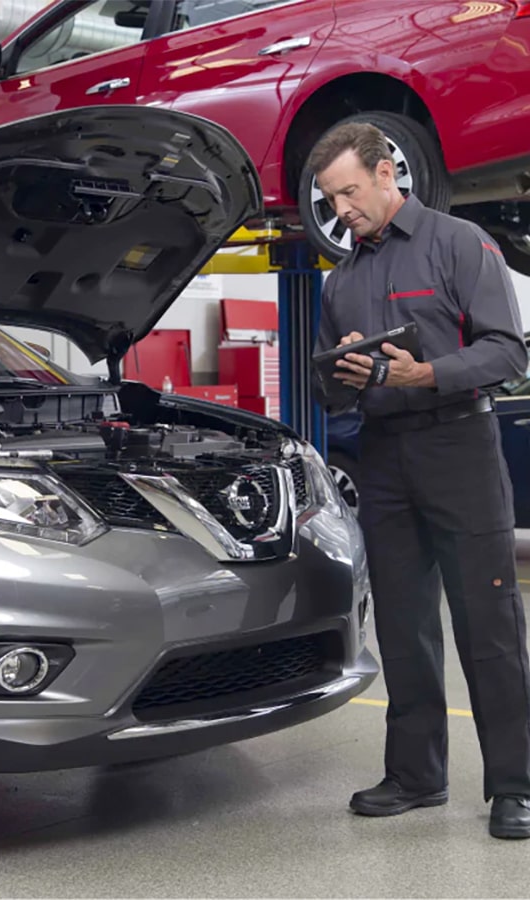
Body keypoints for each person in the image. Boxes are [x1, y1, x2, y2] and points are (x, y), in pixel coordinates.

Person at [308, 121, 530, 839]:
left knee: (487, 623)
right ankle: (415, 775)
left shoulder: (458, 243)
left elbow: (507, 352)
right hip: (384, 453)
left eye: (348, 192)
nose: (342, 211)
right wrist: (341, 372)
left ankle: (516, 786)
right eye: (331, 200)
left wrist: (426, 372)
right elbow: (328, 392)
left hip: (459, 444)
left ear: (385, 173)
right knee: (403, 624)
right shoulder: (340, 280)